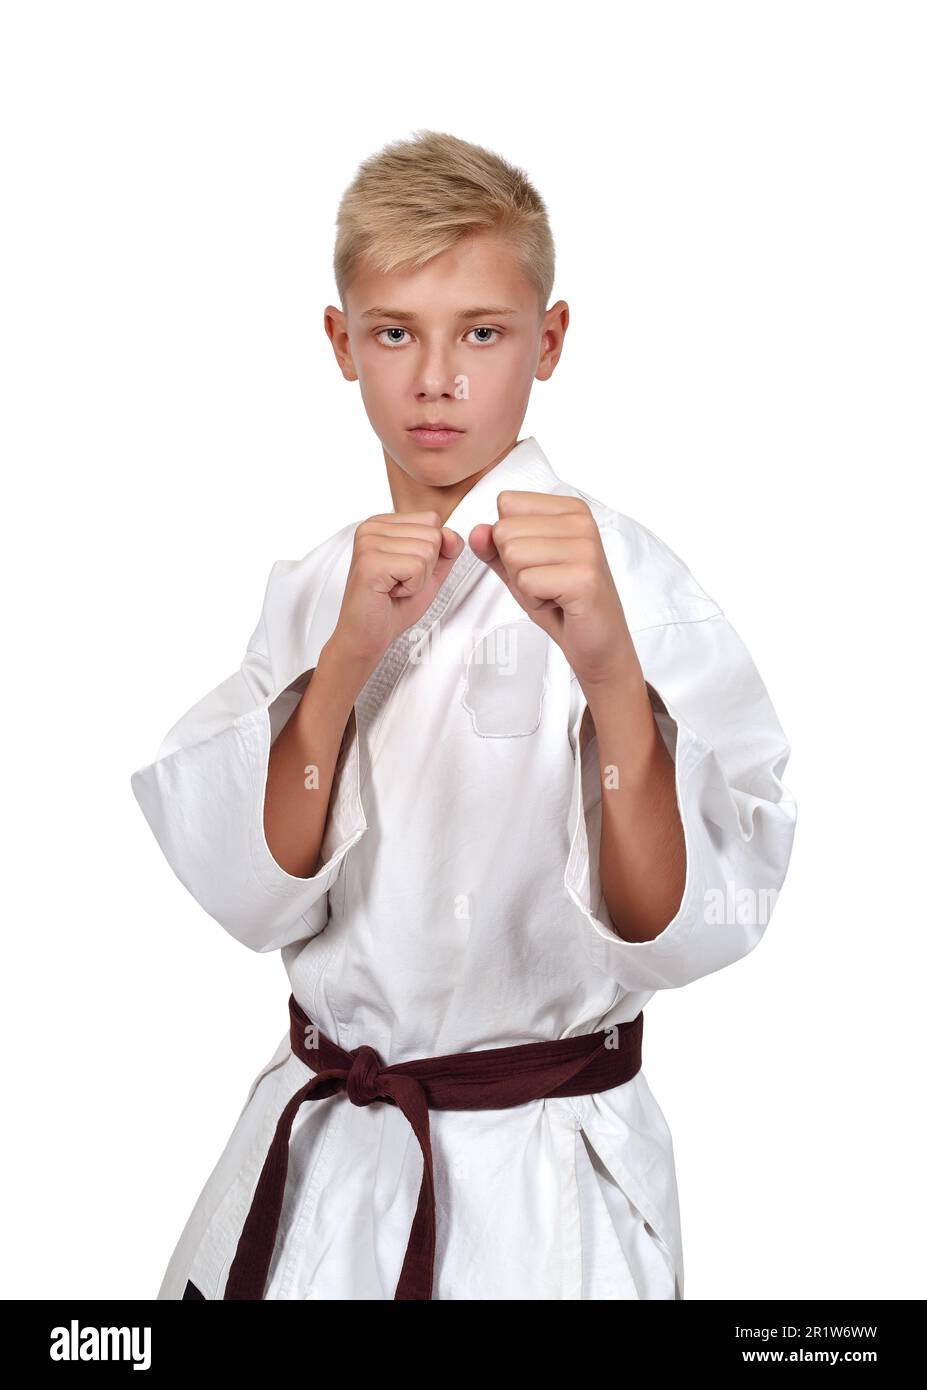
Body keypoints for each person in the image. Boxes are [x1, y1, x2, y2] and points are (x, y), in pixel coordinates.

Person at [130, 129, 797, 1301]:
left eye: (482, 333)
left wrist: (607, 672)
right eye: (396, 332)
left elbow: (686, 925)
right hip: (331, 1153)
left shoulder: (630, 581)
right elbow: (249, 890)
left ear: (549, 341)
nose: (436, 378)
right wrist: (344, 658)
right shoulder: (315, 588)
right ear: (341, 342)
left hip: (541, 1185)